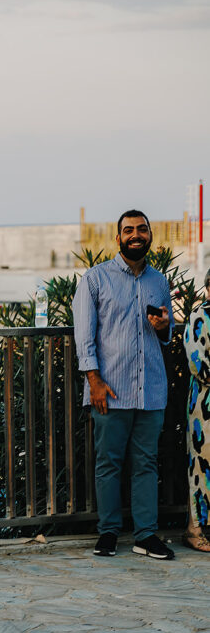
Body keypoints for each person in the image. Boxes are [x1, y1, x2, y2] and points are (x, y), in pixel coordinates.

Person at [73, 209, 175, 560]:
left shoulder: (159, 282)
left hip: (151, 389)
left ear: (150, 235)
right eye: (128, 230)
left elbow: (167, 333)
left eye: (142, 229)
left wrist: (163, 327)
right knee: (109, 463)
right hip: (109, 389)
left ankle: (146, 535)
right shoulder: (95, 279)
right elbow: (83, 336)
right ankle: (108, 532)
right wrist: (94, 380)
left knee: (146, 463)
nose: (136, 234)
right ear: (118, 238)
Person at [182, 266, 210, 552]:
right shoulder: (198, 316)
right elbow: (196, 361)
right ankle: (193, 530)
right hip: (204, 404)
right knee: (200, 466)